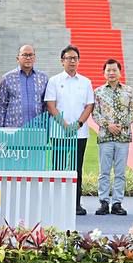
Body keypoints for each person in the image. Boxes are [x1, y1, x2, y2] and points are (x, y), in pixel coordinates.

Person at [45, 45, 95, 216]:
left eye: (75, 58)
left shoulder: (85, 82)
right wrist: (64, 124)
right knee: (58, 168)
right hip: (59, 132)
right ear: (62, 61)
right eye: (68, 58)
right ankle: (57, 203)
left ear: (78, 61)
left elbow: (89, 105)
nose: (72, 61)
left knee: (76, 169)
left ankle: (76, 204)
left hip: (79, 133)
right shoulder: (54, 81)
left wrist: (78, 124)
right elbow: (51, 105)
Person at [92, 59, 133, 216]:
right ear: (104, 73)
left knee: (120, 172)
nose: (111, 73)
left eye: (114, 70)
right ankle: (103, 202)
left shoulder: (129, 91)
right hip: (105, 137)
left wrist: (120, 125)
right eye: (108, 70)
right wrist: (108, 125)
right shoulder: (98, 92)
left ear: (120, 72)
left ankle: (117, 203)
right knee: (104, 171)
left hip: (123, 137)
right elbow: (95, 113)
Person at [0, 44, 49, 128]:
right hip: (13, 129)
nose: (28, 58)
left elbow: (46, 106)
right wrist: (0, 130)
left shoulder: (43, 78)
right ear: (17, 58)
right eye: (24, 55)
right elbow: (1, 107)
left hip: (37, 129)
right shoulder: (7, 78)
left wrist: (45, 127)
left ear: (35, 58)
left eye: (30, 55)